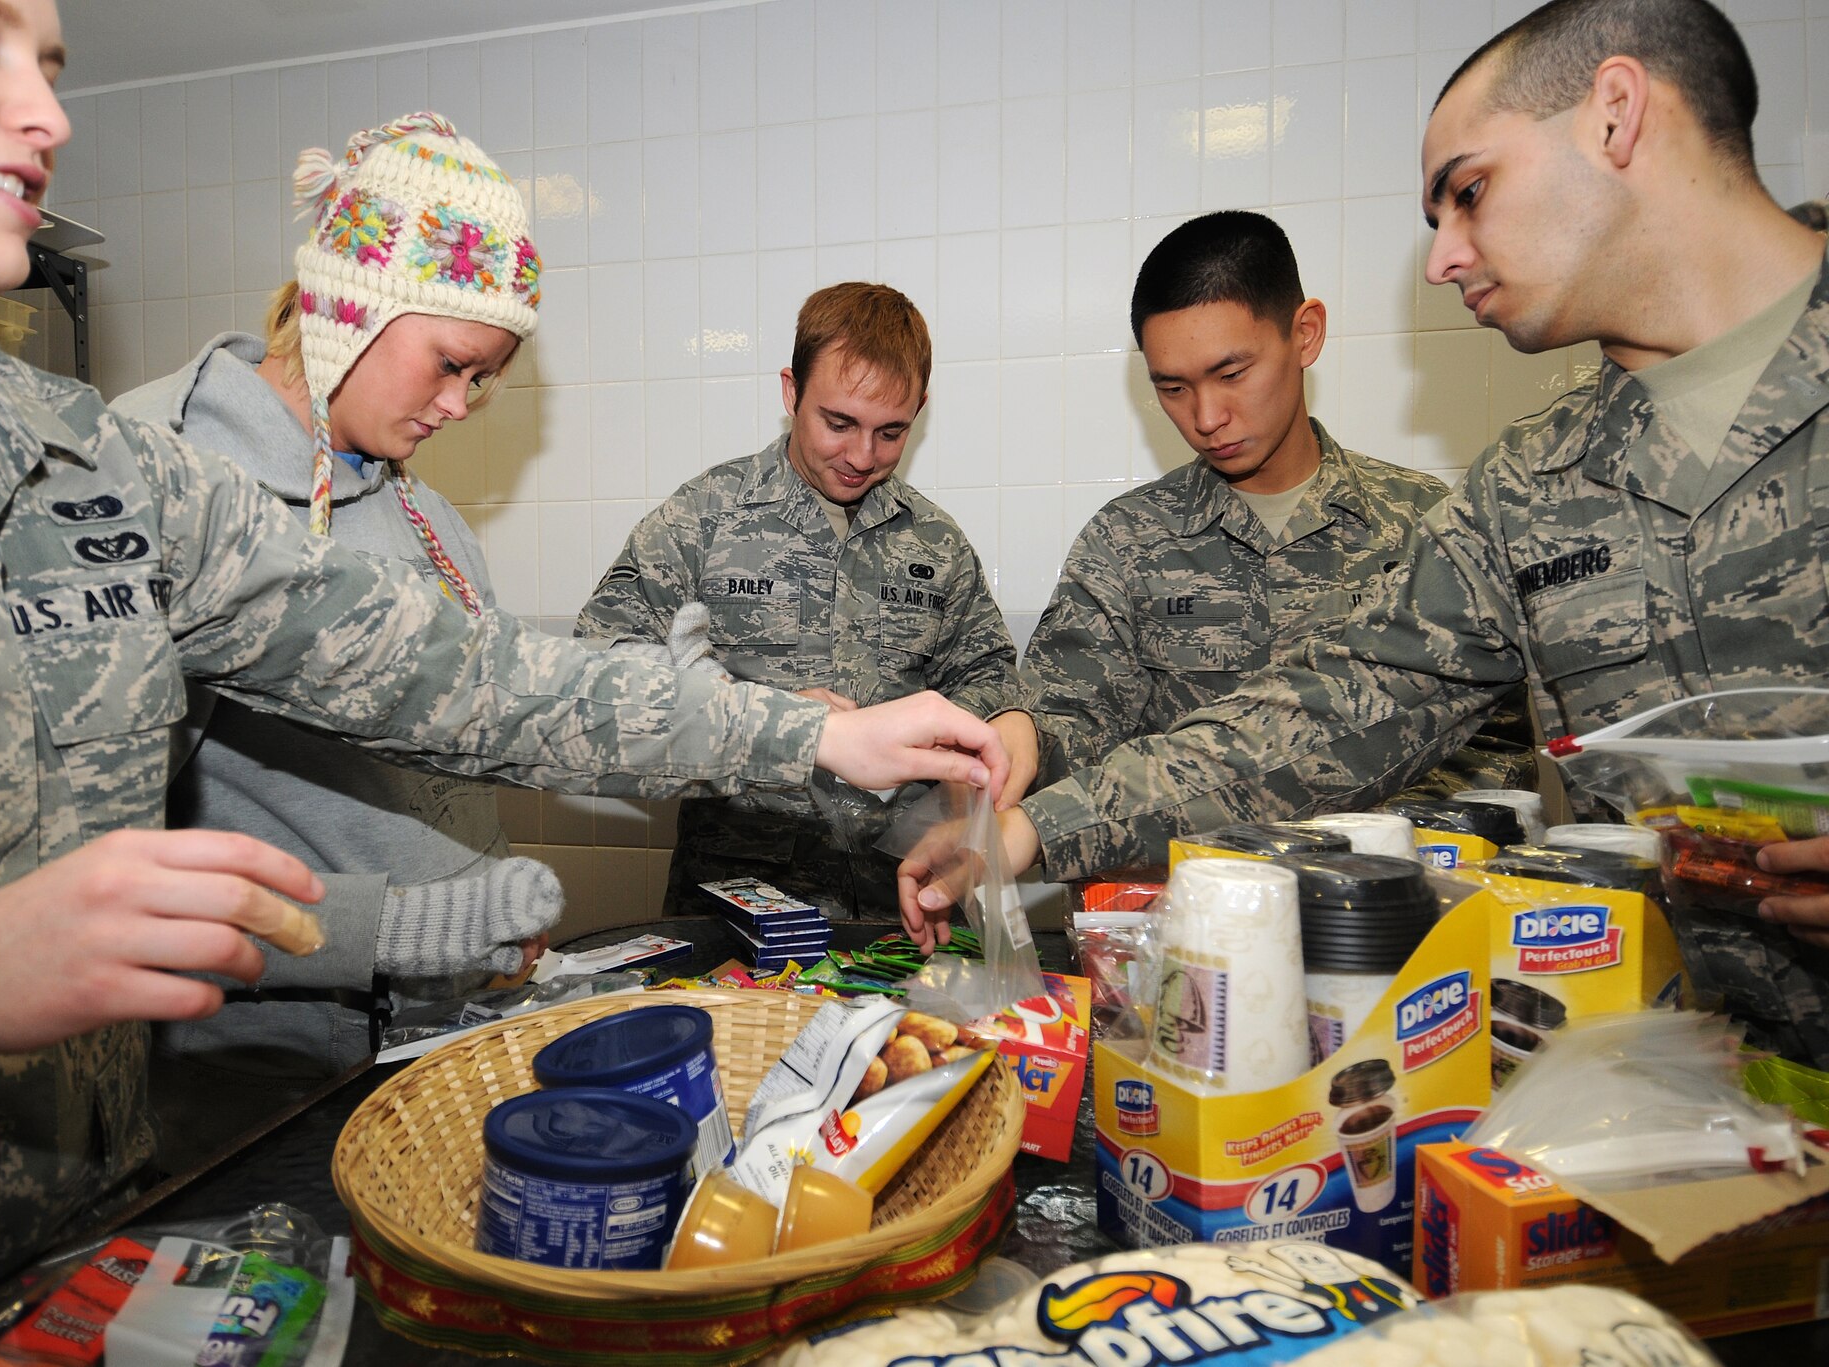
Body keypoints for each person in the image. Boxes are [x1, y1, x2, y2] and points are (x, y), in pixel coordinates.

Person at [0, 3, 1007, 1356]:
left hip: (96, 1227)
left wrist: (807, 736)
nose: (49, 114)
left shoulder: (102, 469)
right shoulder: (166, 441)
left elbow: (477, 681)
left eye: (51, 62)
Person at [903, 0, 1829, 1066]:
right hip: (1647, 1082)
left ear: (1615, 115)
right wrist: (1030, 826)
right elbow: (1329, 709)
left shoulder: (1427, 500)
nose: (1441, 258)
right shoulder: (1528, 486)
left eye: (1468, 191)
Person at [113, 116, 564, 1123]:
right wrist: (405, 927)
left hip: (436, 1039)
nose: (461, 404)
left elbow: (473, 737)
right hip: (269, 1077)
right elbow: (105, 885)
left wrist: (487, 897)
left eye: (483, 378)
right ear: (349, 306)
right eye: (449, 363)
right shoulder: (165, 477)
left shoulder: (424, 511)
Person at [1024, 210, 1533, 801]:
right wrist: (1023, 738)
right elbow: (1067, 730)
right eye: (1173, 388)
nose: (1206, 417)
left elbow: (1494, 747)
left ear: (1306, 334)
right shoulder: (1125, 541)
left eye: (1232, 373)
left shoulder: (1428, 524)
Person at [575, 283, 1035, 919]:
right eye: (838, 423)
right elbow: (600, 666)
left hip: (902, 903)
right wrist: (769, 715)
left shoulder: (935, 540)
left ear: (920, 411)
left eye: (891, 431)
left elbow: (988, 674)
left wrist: (995, 732)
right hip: (743, 907)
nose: (862, 456)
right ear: (791, 393)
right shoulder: (703, 519)